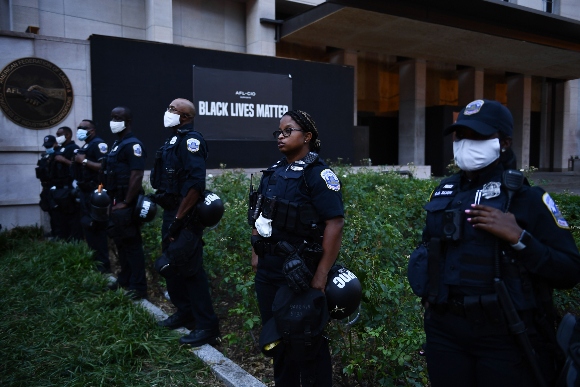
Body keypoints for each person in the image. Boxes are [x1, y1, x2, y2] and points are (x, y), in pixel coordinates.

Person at [407, 99, 580, 386]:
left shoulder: (527, 198)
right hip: (445, 330)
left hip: (504, 334)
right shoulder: (443, 192)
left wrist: (520, 238)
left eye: (478, 136)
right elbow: (431, 249)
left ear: (504, 143)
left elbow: (570, 269)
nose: (465, 144)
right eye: (461, 136)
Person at [250, 110, 344, 386]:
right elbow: (258, 215)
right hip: (268, 273)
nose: (280, 136)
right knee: (277, 342)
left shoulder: (319, 174)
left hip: (300, 275)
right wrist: (256, 253)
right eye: (278, 132)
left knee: (307, 343)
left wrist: (321, 274)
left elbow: (335, 224)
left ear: (308, 136)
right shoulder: (274, 172)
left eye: (287, 131)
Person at [152, 98, 220, 346]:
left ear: (186, 117)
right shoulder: (173, 140)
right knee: (173, 267)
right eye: (168, 107)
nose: (167, 112)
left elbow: (194, 185)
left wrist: (179, 221)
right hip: (172, 212)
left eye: (173, 110)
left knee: (191, 271)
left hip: (186, 216)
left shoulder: (192, 141)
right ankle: (185, 312)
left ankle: (207, 326)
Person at [105, 106, 148, 300]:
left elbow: (137, 175)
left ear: (127, 121)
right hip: (115, 201)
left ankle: (139, 287)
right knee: (121, 243)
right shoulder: (117, 144)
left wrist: (126, 202)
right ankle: (125, 278)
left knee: (132, 245)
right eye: (112, 117)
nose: (114, 121)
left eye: (118, 118)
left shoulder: (133, 145)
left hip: (127, 204)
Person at [72, 119, 111, 273]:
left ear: (92, 130)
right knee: (88, 227)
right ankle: (94, 262)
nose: (80, 130)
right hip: (84, 192)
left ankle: (103, 266)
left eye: (83, 128)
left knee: (97, 228)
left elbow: (103, 166)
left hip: (95, 193)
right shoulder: (86, 145)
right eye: (79, 127)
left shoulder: (98, 144)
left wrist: (84, 161)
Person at [51, 126, 82, 241]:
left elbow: (78, 166)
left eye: (59, 135)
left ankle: (75, 241)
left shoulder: (74, 148)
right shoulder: (59, 149)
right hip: (58, 189)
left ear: (67, 135)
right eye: (57, 135)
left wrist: (64, 160)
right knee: (59, 218)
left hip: (69, 189)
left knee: (72, 218)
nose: (57, 137)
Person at [36, 135, 59, 238]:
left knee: (57, 214)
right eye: (46, 146)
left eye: (49, 145)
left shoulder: (58, 156)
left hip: (55, 188)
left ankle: (57, 234)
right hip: (46, 188)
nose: (47, 148)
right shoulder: (45, 158)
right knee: (47, 209)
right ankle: (52, 233)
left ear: (55, 144)